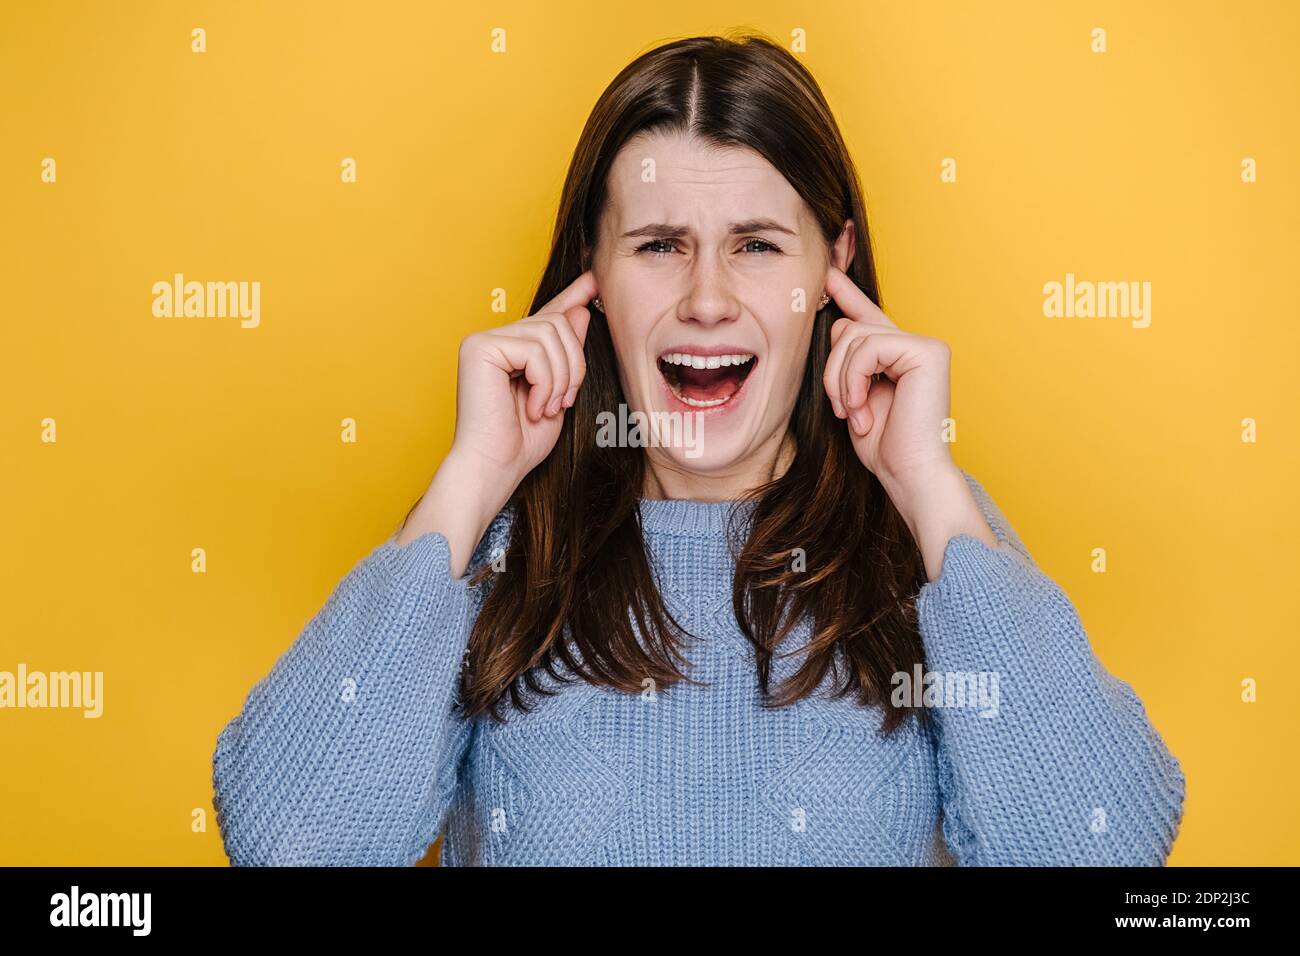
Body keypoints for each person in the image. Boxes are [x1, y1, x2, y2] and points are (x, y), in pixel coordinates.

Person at [211, 32, 1185, 866]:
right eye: (658, 244)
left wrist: (928, 488)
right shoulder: (495, 548)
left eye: (757, 244)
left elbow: (1101, 848)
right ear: (592, 271)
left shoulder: (927, 549)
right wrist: (467, 483)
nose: (707, 297)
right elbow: (291, 843)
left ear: (831, 268)